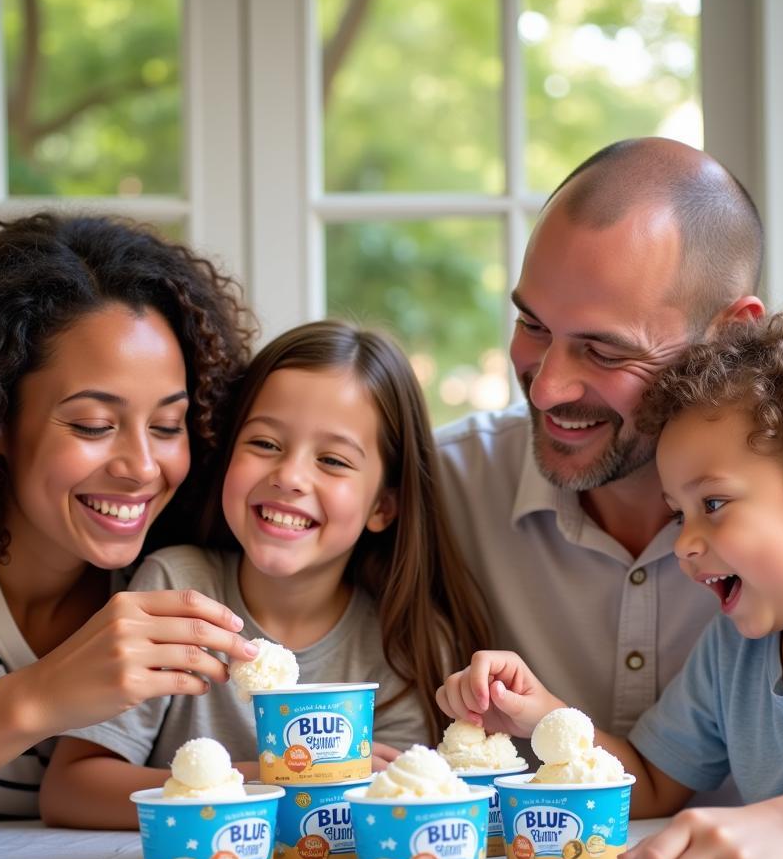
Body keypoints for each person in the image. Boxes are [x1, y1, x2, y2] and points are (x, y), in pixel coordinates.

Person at [438, 302, 783, 859]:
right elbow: (648, 784)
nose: (683, 543)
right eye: (679, 513)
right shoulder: (737, 646)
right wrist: (543, 715)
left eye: (715, 504)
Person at [40, 320, 493, 828]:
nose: (290, 476)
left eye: (333, 460)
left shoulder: (405, 642)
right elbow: (70, 789)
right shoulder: (176, 589)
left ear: (384, 506)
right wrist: (260, 779)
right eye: (266, 444)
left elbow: (389, 815)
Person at [0, 212, 257, 827]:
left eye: (167, 426)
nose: (142, 467)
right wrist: (39, 698)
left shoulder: (177, 585)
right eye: (94, 425)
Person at [436, 137, 765, 737]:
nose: (546, 390)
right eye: (532, 325)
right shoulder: (445, 483)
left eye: (604, 349)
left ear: (730, 336)